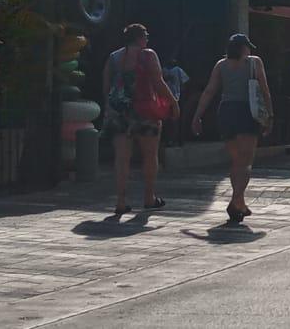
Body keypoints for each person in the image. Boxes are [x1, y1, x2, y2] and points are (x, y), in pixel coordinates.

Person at [192, 33, 273, 224]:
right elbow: (264, 89)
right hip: (247, 112)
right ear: (244, 48)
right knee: (245, 162)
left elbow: (210, 91)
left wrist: (197, 116)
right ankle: (235, 201)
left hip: (226, 112)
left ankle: (241, 203)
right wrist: (270, 114)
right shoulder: (255, 62)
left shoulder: (221, 65)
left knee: (236, 161)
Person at [102, 23, 179, 215]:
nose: (147, 39)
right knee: (150, 155)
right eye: (146, 36)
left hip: (119, 112)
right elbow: (158, 82)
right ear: (139, 37)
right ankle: (149, 197)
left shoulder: (114, 57)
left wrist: (111, 108)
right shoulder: (148, 55)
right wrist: (173, 102)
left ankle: (120, 201)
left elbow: (106, 86)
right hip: (145, 111)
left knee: (122, 158)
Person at [161, 56, 190, 146]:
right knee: (169, 120)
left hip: (175, 97)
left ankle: (176, 140)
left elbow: (185, 83)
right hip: (168, 98)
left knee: (175, 120)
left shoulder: (177, 70)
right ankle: (170, 140)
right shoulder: (163, 71)